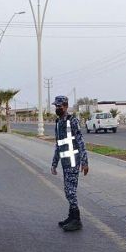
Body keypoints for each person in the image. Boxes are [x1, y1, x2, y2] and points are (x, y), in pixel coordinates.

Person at [50, 96, 89, 231]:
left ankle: (76, 220)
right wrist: (54, 164)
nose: (57, 108)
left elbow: (81, 142)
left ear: (66, 106)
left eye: (59, 106)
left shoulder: (72, 121)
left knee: (70, 191)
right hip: (65, 162)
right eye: (56, 106)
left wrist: (84, 162)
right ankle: (71, 216)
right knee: (68, 191)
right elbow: (58, 145)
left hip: (73, 161)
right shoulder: (58, 122)